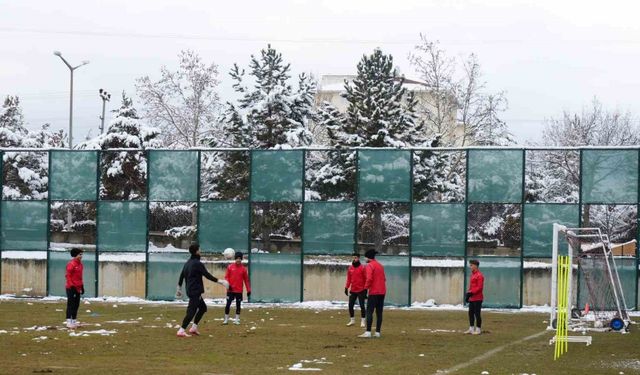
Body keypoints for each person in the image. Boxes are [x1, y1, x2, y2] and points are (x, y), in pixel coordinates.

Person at [175, 243, 229, 337]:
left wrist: (179, 288)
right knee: (191, 311)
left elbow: (182, 275)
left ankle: (194, 328)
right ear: (196, 251)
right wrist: (221, 282)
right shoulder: (197, 263)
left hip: (191, 290)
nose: (200, 251)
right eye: (199, 249)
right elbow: (207, 275)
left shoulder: (188, 262)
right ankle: (181, 330)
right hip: (194, 291)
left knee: (203, 308)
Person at [359, 249, 386, 338]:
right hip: (382, 291)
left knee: (369, 311)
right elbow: (384, 279)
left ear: (368, 257)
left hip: (374, 292)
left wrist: (365, 289)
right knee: (379, 312)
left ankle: (368, 332)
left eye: (365, 257)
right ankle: (378, 332)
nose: (364, 259)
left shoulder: (369, 265)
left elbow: (369, 278)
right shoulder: (380, 265)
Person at [223, 251, 251, 325]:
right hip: (230, 290)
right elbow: (226, 277)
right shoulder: (230, 267)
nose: (238, 260)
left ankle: (237, 320)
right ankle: (226, 320)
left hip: (239, 291)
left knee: (238, 305)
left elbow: (246, 280)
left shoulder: (243, 269)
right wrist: (229, 286)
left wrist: (248, 290)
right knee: (228, 304)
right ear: (235, 259)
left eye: (239, 258)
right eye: (237, 258)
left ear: (241, 259)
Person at [344, 252, 366, 327]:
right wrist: (346, 287)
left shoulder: (362, 267)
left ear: (358, 258)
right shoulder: (350, 268)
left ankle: (363, 321)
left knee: (362, 306)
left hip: (361, 290)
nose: (354, 259)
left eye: (356, 257)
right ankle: (352, 320)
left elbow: (366, 279)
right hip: (353, 290)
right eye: (353, 257)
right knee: (350, 305)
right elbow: (348, 279)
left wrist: (365, 289)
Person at [65, 248, 84, 329]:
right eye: (80, 254)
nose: (81, 256)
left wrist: (82, 286)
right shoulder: (71, 264)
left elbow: (80, 277)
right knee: (71, 304)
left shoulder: (80, 264)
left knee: (76, 305)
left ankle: (74, 321)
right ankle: (68, 322)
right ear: (75, 255)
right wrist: (71, 285)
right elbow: (68, 276)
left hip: (78, 287)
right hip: (71, 287)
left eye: (81, 254)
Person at [465, 259, 485, 335]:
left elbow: (479, 287)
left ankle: (478, 329)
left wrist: (471, 293)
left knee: (477, 314)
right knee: (470, 313)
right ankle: (471, 329)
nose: (470, 267)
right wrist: (468, 294)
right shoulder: (473, 275)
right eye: (470, 265)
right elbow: (471, 287)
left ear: (476, 266)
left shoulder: (480, 275)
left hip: (478, 298)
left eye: (471, 265)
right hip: (472, 298)